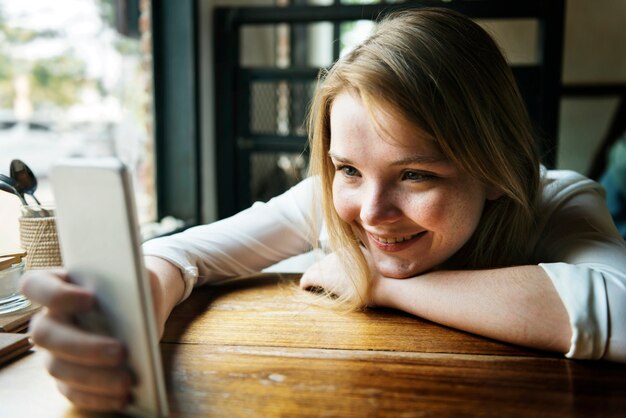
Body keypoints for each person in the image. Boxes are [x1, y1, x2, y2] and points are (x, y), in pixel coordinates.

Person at [20, 8, 626, 412]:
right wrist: (122, 320)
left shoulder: (558, 199)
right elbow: (186, 252)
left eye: (416, 174)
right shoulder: (329, 201)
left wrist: (379, 287)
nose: (371, 211)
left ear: (496, 169)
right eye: (348, 170)